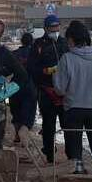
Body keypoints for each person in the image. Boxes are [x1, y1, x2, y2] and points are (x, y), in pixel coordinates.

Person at [53, 21, 92, 175]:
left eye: (68, 38)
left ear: (72, 38)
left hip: (73, 110)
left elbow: (59, 89)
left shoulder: (67, 58)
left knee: (75, 152)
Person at [28, 14, 69, 163]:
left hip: (65, 92)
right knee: (48, 125)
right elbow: (31, 67)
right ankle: (50, 155)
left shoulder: (65, 43)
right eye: (52, 27)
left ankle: (71, 155)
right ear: (46, 28)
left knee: (68, 125)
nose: (55, 29)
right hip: (46, 91)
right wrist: (45, 71)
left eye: (57, 26)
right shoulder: (38, 45)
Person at [9, 32, 37, 145]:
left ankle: (16, 135)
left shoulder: (14, 54)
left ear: (22, 41)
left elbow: (7, 70)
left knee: (16, 112)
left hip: (14, 86)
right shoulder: (35, 54)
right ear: (32, 42)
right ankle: (24, 135)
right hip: (30, 86)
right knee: (28, 113)